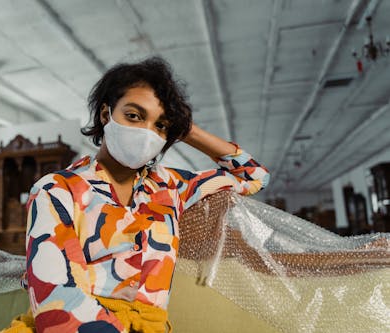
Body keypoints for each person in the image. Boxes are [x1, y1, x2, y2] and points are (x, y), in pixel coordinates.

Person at [22, 57, 269, 333]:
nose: (147, 133)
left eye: (160, 125)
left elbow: (252, 176)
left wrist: (187, 131)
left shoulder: (170, 187)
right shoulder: (56, 189)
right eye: (134, 116)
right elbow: (56, 298)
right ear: (106, 115)